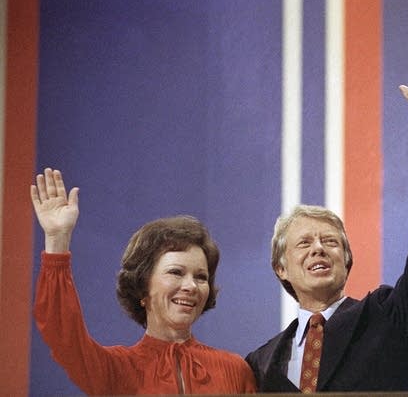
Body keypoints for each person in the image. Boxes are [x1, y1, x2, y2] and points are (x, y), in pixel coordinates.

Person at [245, 48, 408, 392]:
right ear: (281, 268)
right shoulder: (258, 364)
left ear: (347, 259)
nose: (318, 249)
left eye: (330, 242)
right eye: (304, 243)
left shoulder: (390, 318)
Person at [31, 169, 257, 395]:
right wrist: (57, 240)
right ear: (143, 286)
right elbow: (63, 334)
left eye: (201, 277)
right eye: (176, 272)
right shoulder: (115, 370)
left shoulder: (235, 370)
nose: (190, 286)